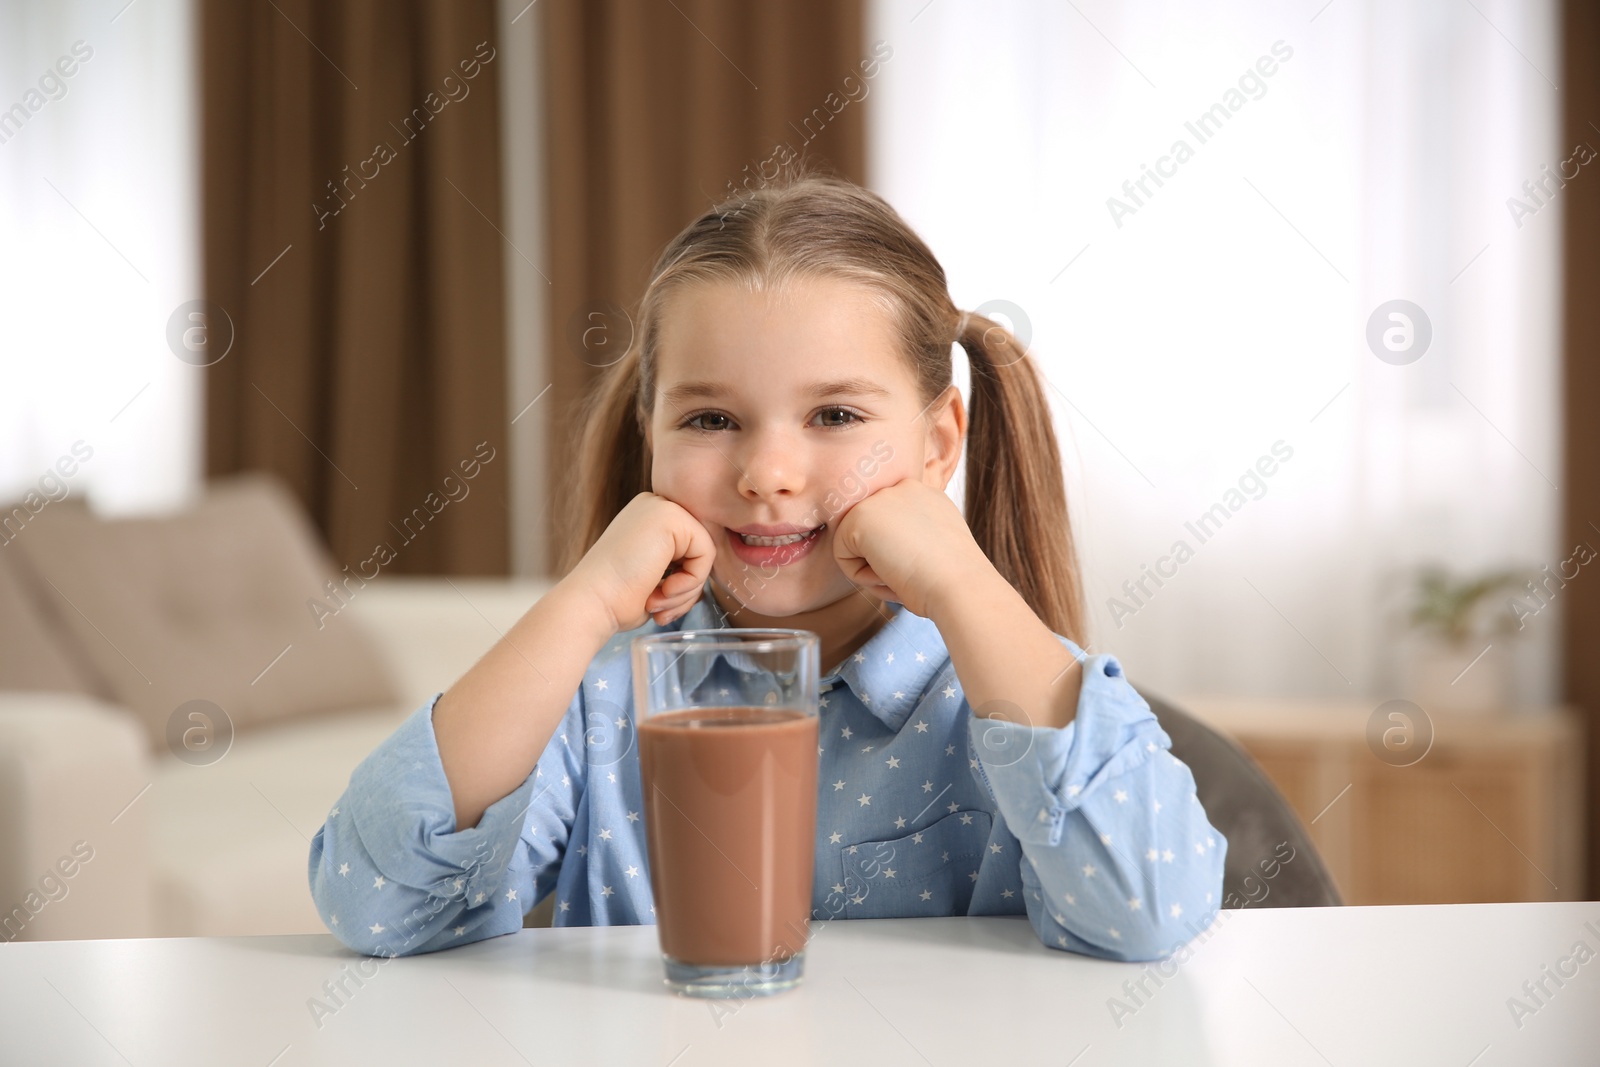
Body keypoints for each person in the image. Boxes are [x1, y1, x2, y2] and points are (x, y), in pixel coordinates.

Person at [309, 172, 1226, 963]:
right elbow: (378, 903)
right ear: (651, 437)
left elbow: (1155, 910)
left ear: (940, 441)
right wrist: (585, 600)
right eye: (710, 420)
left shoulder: (999, 688)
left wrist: (963, 578)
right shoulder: (601, 695)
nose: (765, 475)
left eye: (834, 417)